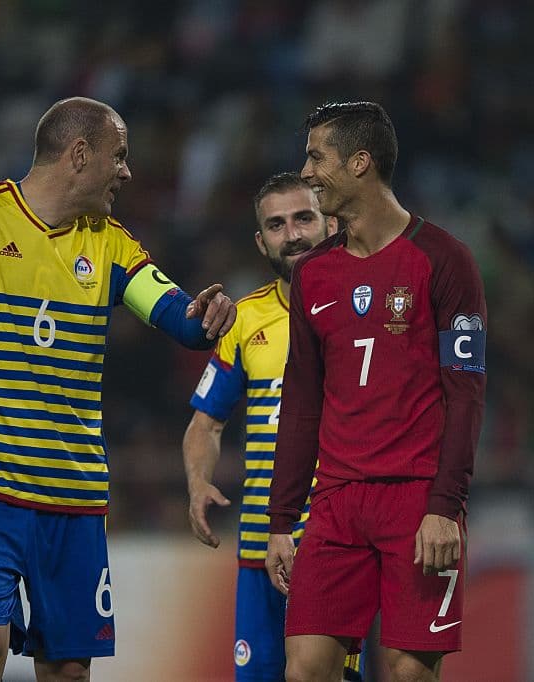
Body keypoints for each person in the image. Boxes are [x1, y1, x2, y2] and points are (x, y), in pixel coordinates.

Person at [0, 97, 236, 682]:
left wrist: (207, 318)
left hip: (73, 495)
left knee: (69, 672)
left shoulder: (111, 242)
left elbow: (177, 317)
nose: (127, 172)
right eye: (118, 156)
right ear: (79, 154)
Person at [264, 101, 487, 682]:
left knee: (408, 672)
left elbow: (466, 394)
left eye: (317, 157)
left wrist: (445, 508)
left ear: (359, 162)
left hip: (417, 501)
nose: (306, 171)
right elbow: (302, 404)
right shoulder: (313, 274)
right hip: (336, 502)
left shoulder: (445, 260)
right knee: (305, 670)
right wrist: (281, 519)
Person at [183, 172, 362, 682]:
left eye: (304, 218)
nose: (293, 234)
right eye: (277, 225)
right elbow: (205, 423)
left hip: (336, 544)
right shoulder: (245, 320)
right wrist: (197, 482)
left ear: (330, 223)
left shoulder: (364, 309)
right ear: (261, 242)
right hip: (261, 545)